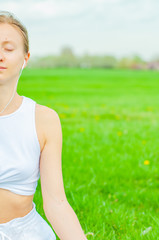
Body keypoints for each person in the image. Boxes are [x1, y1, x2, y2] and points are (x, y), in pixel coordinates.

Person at [0, 11, 87, 240]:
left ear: (25, 59)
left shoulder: (43, 120)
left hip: (25, 233)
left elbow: (56, 202)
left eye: (8, 49)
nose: (0, 55)